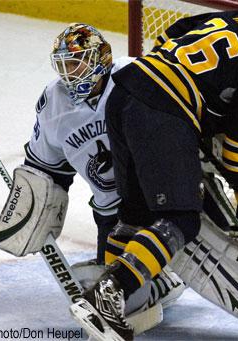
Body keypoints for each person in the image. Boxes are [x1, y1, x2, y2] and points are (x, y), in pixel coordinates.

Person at [70, 7, 238, 341]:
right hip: (161, 113)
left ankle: (116, 305)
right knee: (181, 219)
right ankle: (106, 295)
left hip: (126, 92)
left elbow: (174, 31)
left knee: (136, 215)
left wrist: (199, 110)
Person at [23, 22, 185, 321]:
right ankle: (157, 283)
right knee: (113, 285)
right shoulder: (53, 101)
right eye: (64, 65)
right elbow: (45, 166)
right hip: (110, 212)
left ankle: (162, 275)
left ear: (101, 59)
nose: (69, 72)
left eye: (76, 62)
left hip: (158, 194)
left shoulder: (136, 76)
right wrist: (31, 201)